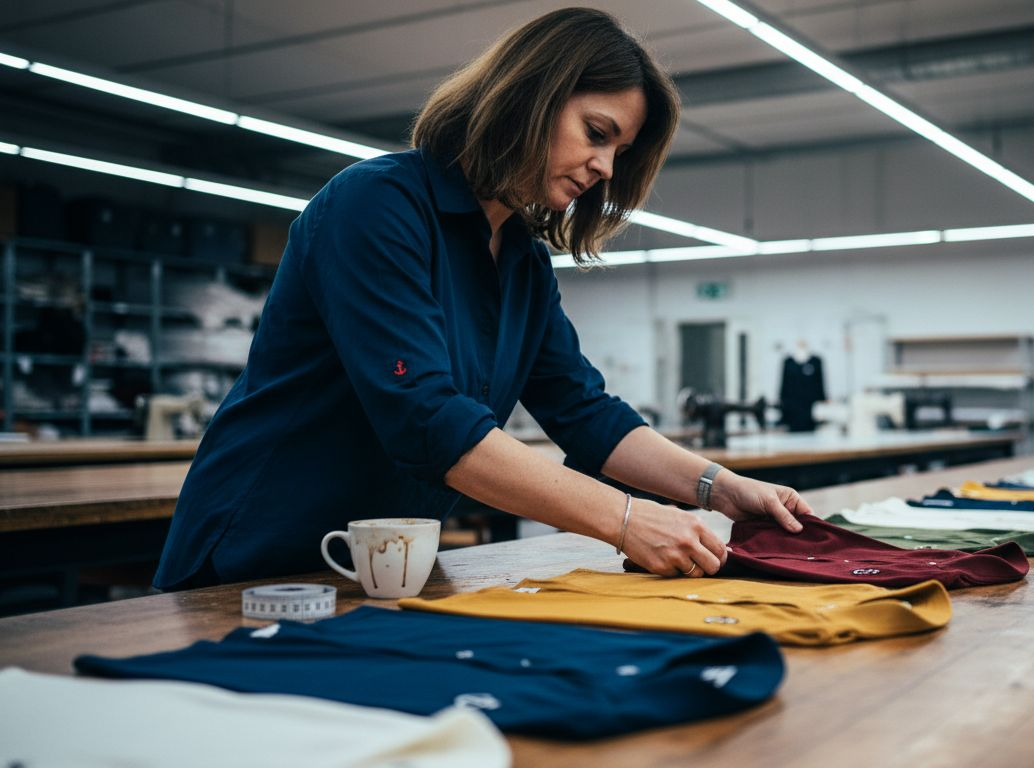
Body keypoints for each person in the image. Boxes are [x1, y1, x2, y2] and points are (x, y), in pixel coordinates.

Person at [153, 7, 813, 591]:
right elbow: (427, 419)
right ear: (531, 96)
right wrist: (625, 520)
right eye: (596, 132)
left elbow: (584, 412)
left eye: (619, 150)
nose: (607, 168)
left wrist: (721, 489)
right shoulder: (376, 206)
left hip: (380, 570)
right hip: (254, 559)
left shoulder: (522, 260)